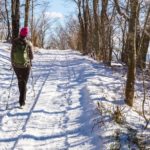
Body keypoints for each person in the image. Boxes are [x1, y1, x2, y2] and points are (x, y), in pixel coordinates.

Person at [11, 27, 33, 108]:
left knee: (20, 81)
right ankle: (22, 102)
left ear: (20, 32)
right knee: (24, 82)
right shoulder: (28, 43)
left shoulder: (15, 42)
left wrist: (13, 63)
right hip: (26, 66)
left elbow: (12, 53)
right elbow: (32, 56)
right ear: (26, 34)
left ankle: (22, 96)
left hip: (16, 65)